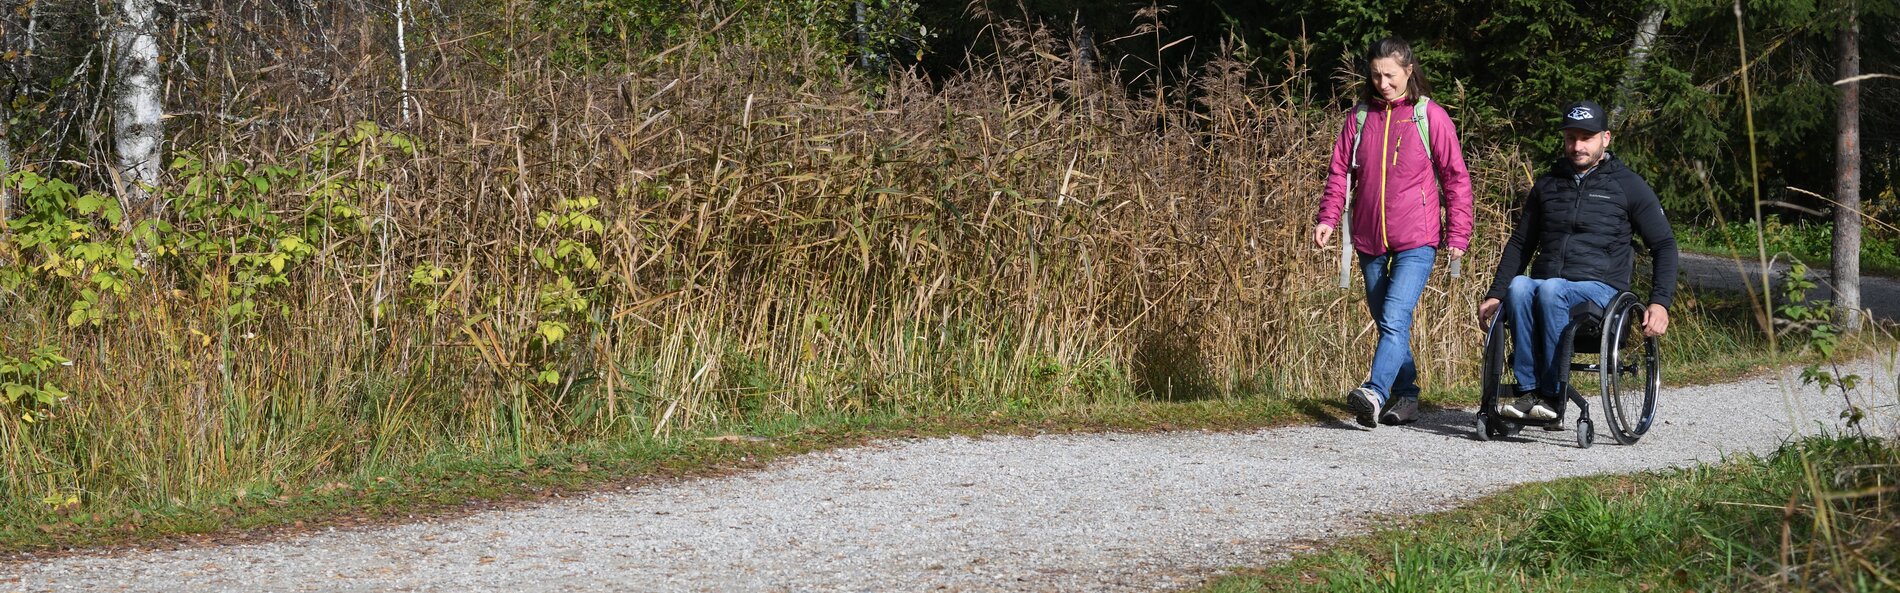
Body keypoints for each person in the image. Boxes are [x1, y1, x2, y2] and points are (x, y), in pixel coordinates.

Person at [1476, 100, 1679, 422]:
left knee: (1551, 289)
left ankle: (1552, 395)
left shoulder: (1629, 186)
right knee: (1519, 287)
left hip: (1601, 292)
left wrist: (1660, 302)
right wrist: (1496, 292)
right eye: (1571, 138)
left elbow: (1665, 245)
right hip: (1549, 287)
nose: (1577, 146)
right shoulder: (1547, 185)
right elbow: (1520, 243)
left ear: (1606, 138)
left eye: (1586, 138)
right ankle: (1529, 392)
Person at [1315, 37, 1474, 429]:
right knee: (1391, 322)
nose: (1382, 83)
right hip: (1368, 239)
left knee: (1394, 317)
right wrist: (1328, 218)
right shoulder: (1360, 117)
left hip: (1418, 239)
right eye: (1375, 75)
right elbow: (1340, 173)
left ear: (1408, 72)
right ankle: (1407, 395)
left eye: (1390, 75)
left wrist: (1458, 235)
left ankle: (1374, 390)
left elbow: (1455, 178)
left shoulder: (1429, 116)